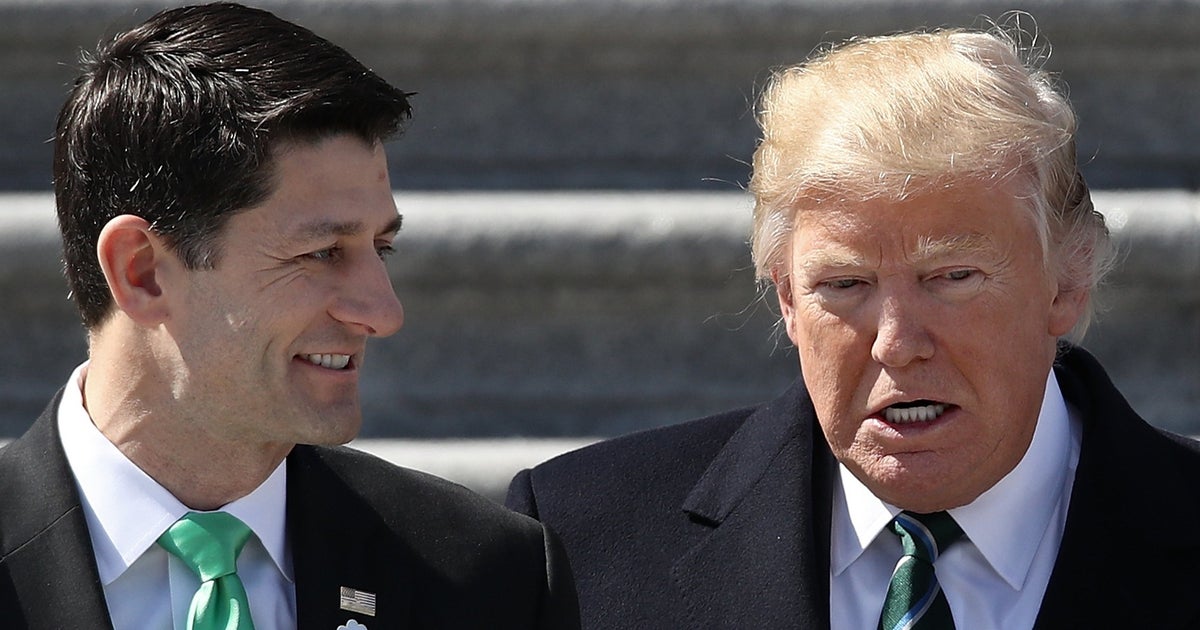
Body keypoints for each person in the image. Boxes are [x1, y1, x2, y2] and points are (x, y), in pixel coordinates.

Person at [506, 23, 1200, 629]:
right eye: (845, 286)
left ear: (1068, 283)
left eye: (953, 277)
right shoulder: (577, 540)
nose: (897, 343)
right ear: (787, 299)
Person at [0, 4, 577, 628]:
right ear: (142, 271)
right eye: (322, 252)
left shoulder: (488, 575)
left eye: (381, 247)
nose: (383, 313)